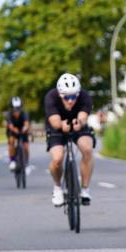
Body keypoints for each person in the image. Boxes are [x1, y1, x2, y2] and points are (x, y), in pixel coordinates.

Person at [44, 73, 95, 207]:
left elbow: (83, 115)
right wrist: (61, 125)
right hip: (58, 127)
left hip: (78, 126)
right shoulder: (51, 97)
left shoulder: (84, 96)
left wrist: (80, 122)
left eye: (73, 96)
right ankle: (57, 188)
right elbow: (54, 121)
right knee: (57, 159)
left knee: (87, 149)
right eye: (67, 97)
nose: (71, 101)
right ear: (60, 94)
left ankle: (85, 189)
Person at [5, 96, 31, 172]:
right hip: (12, 130)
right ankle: (12, 160)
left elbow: (26, 123)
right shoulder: (9, 115)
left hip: (22, 130)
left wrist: (25, 128)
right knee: (11, 141)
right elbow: (10, 126)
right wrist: (14, 130)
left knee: (26, 147)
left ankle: (26, 163)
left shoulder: (24, 113)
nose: (16, 111)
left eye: (18, 109)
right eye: (15, 109)